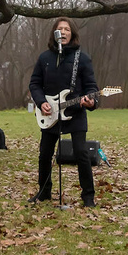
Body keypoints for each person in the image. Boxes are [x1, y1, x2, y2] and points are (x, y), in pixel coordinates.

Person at [28, 17, 99, 208]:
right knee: (44, 154)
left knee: (82, 153)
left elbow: (92, 87)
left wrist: (91, 101)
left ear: (72, 33)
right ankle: (44, 192)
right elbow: (34, 83)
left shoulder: (82, 58)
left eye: (67, 29)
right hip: (50, 114)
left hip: (75, 113)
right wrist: (41, 102)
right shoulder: (44, 58)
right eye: (60, 29)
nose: (64, 32)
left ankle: (88, 197)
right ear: (55, 33)